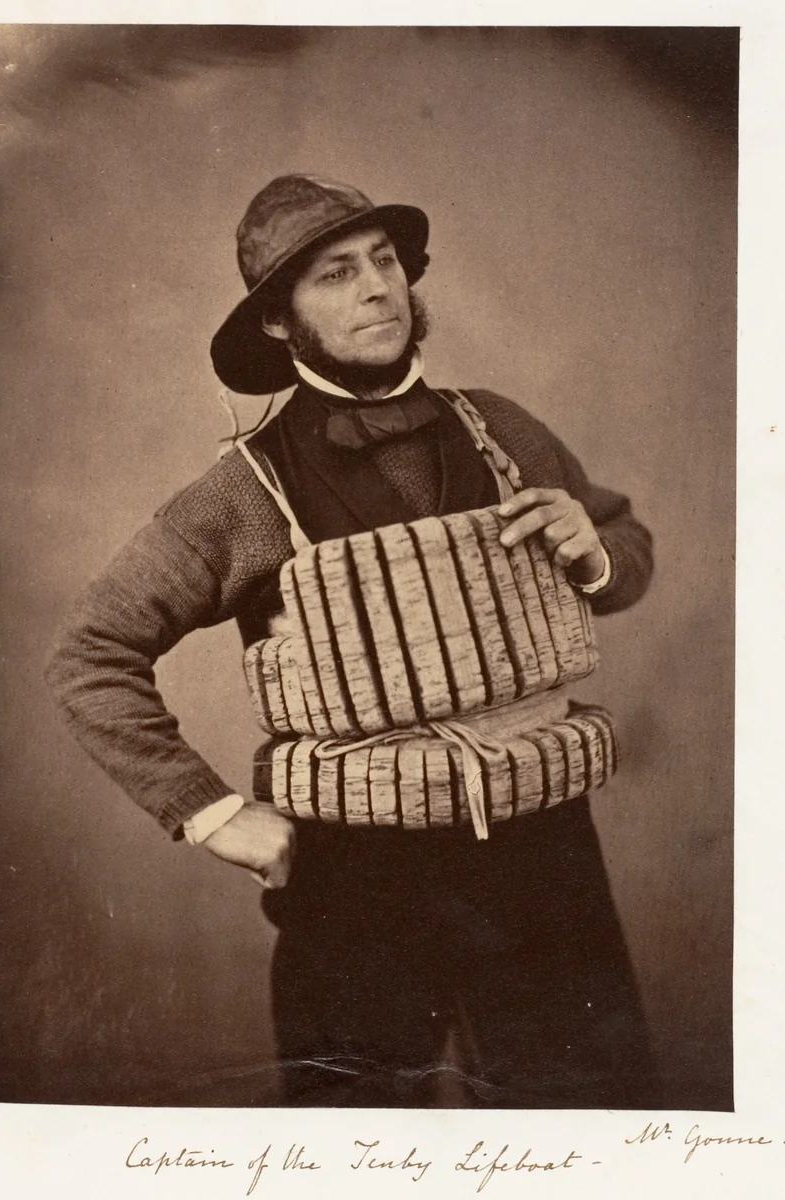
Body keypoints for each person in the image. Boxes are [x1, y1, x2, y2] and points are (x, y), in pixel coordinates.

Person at [46, 173, 659, 1108]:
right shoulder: (246, 490)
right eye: (335, 274)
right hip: (356, 883)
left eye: (383, 262)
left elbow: (626, 551)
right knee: (351, 1140)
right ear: (280, 324)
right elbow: (89, 656)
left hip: (543, 855)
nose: (377, 287)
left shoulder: (499, 428)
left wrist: (594, 549)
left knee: (592, 1121)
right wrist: (208, 812)